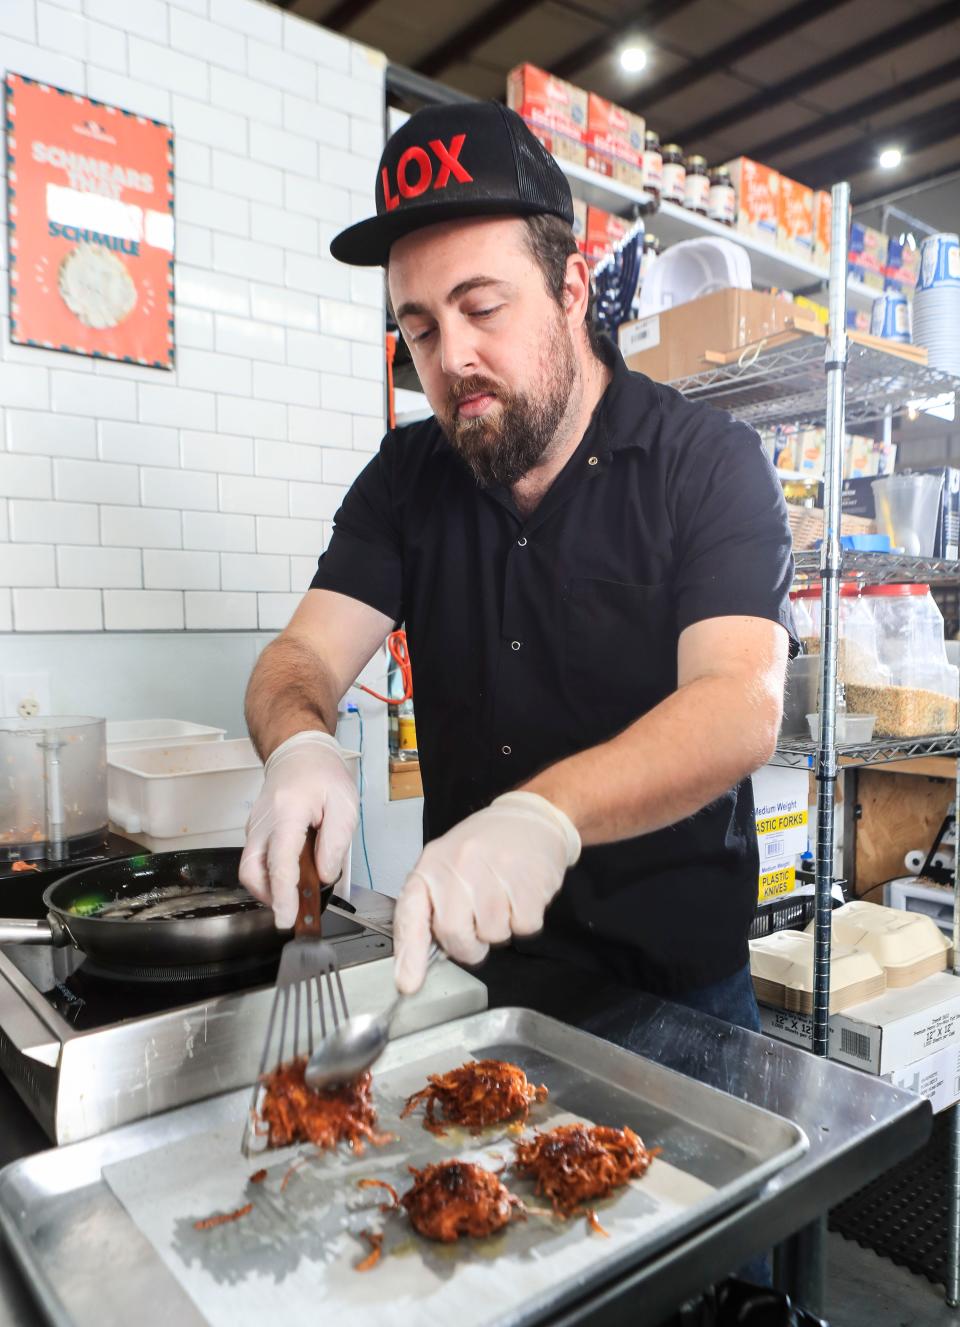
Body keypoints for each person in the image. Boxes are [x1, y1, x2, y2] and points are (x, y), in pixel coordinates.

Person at [238, 101, 795, 1036]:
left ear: (573, 287)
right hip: (474, 989)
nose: (450, 359)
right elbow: (301, 658)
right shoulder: (406, 479)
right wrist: (300, 743)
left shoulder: (708, 463)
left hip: (676, 1003)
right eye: (417, 328)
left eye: (481, 308)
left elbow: (740, 704)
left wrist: (546, 814)